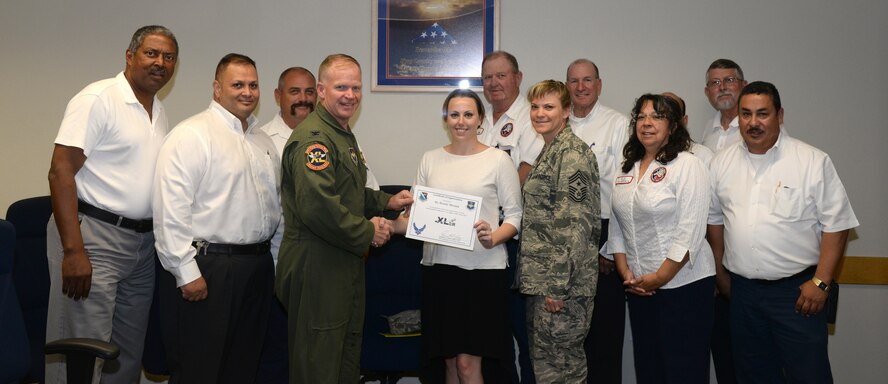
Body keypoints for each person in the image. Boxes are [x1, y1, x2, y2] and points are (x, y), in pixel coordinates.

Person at [45, 25, 178, 384]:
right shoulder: (98, 98)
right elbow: (60, 173)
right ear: (130, 55)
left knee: (126, 354)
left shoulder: (159, 111)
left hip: (141, 245)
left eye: (168, 57)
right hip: (93, 238)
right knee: (84, 347)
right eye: (151, 53)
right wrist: (73, 250)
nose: (160, 63)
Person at [275, 54, 413, 384]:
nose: (350, 94)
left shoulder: (341, 133)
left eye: (355, 87)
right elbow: (319, 207)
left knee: (345, 355)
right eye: (341, 87)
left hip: (342, 260)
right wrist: (368, 231)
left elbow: (349, 193)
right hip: (317, 264)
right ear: (321, 91)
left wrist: (387, 202)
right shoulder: (315, 139)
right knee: (318, 362)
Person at [708, 81, 858, 383]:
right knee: (752, 376)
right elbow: (714, 220)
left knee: (809, 375)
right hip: (744, 295)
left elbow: (837, 225)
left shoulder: (811, 161)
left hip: (798, 294)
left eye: (763, 114)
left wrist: (822, 283)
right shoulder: (722, 163)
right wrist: (722, 273)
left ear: (780, 115)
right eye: (746, 114)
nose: (753, 123)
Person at [153, 53, 280, 383]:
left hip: (257, 267)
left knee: (244, 365)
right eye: (237, 84)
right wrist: (185, 272)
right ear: (216, 88)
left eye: (253, 85)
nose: (247, 92)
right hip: (209, 269)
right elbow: (170, 209)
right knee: (200, 368)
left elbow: (274, 208)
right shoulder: (192, 135)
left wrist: (276, 265)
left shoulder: (262, 140)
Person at [397, 88, 522, 384]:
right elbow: (415, 217)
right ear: (446, 119)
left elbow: (515, 217)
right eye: (454, 114)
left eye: (468, 114)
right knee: (449, 363)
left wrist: (494, 237)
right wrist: (389, 225)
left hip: (482, 273)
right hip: (439, 271)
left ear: (480, 119)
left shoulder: (497, 160)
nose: (461, 121)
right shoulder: (430, 159)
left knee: (468, 364)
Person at [608, 94, 716, 383]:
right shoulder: (626, 167)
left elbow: (690, 230)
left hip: (683, 287)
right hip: (640, 286)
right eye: (641, 117)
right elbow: (617, 227)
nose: (647, 123)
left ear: (673, 126)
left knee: (682, 371)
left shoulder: (687, 165)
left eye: (656, 117)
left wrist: (661, 277)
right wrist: (625, 273)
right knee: (649, 368)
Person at [519, 80, 600, 383]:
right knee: (549, 369)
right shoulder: (550, 150)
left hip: (561, 289)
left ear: (567, 111)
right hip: (544, 284)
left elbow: (574, 227)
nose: (540, 113)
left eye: (549, 107)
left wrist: (558, 286)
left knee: (562, 370)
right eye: (536, 106)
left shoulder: (572, 155)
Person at [564, 58, 629, 384]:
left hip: (603, 232)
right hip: (565, 238)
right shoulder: (557, 123)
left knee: (604, 333)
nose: (581, 87)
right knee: (570, 335)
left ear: (598, 85)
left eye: (587, 80)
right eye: (574, 81)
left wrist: (610, 247)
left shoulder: (617, 124)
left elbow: (624, 188)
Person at [480, 50, 542, 383]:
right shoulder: (477, 123)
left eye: (501, 75)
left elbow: (523, 177)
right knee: (494, 333)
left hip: (518, 244)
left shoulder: (532, 120)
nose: (494, 83)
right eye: (488, 77)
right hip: (482, 242)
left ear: (518, 78)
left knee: (525, 332)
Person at [701, 59, 748, 153]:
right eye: (715, 82)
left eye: (729, 80)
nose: (722, 87)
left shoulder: (756, 126)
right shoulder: (709, 128)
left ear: (744, 86)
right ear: (707, 92)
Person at [662, 92, 715, 167]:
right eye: (659, 116)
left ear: (684, 121)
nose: (666, 121)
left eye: (672, 115)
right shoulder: (645, 155)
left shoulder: (703, 155)